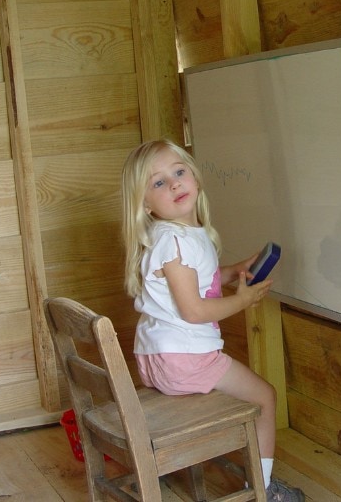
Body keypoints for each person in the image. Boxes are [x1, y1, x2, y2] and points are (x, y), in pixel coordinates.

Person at [121, 139, 305, 502]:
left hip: (157, 359)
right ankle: (265, 492)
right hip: (184, 361)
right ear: (144, 203)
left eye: (178, 172)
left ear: (195, 177)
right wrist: (243, 299)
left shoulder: (171, 236)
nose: (173, 183)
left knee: (253, 391)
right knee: (265, 397)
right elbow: (194, 311)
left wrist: (234, 271)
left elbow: (197, 282)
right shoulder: (177, 243)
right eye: (158, 183)